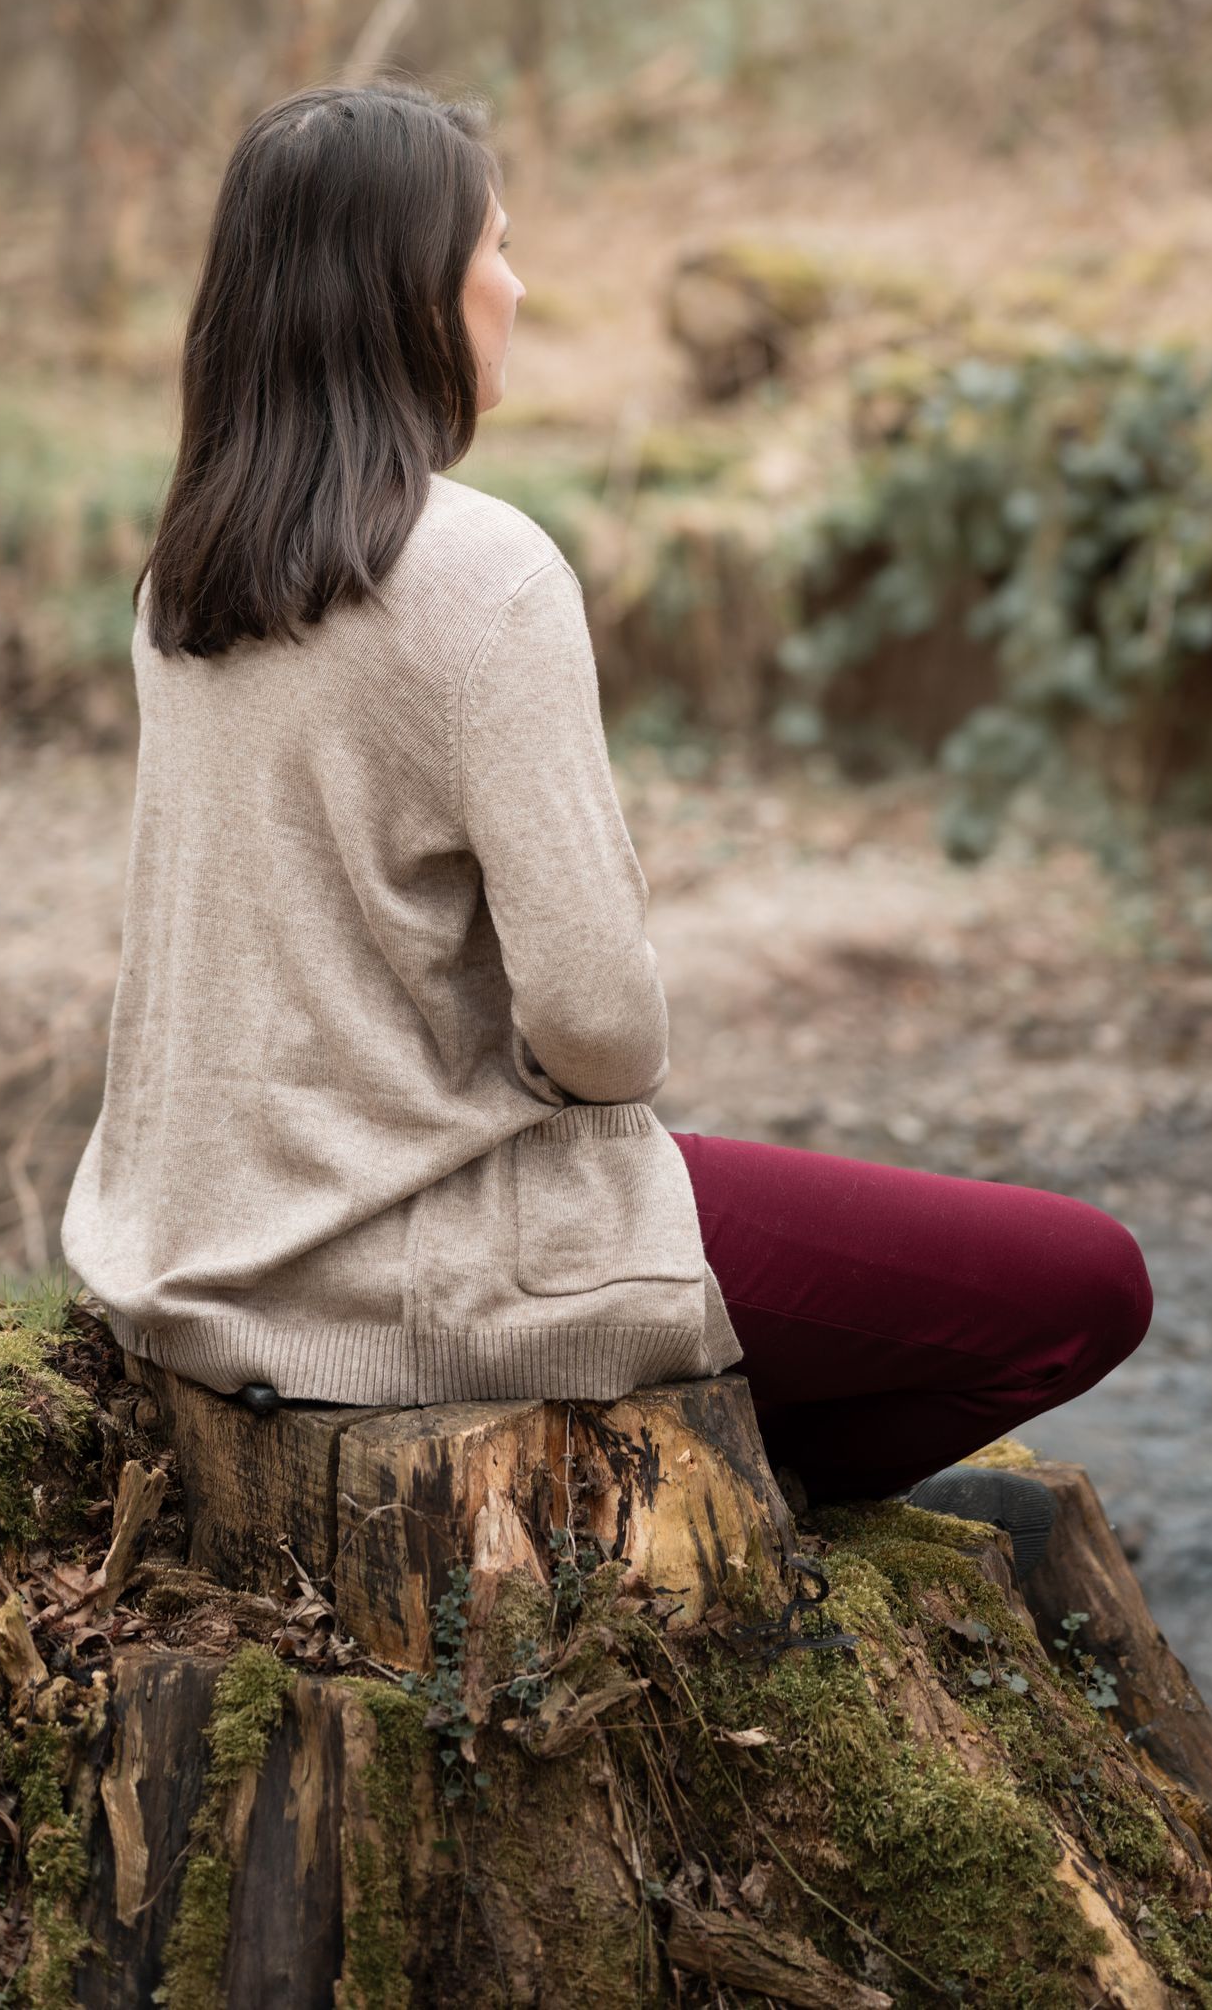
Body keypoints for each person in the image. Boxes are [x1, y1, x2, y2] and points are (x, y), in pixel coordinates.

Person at [60, 80, 1151, 1573]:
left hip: (190, 1246)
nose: (519, 284)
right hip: (411, 1268)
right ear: (410, 295)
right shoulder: (484, 572)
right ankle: (759, 1509)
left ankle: (727, 1478)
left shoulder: (186, 579)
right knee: (1089, 1280)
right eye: (495, 247)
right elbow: (607, 1035)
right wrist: (525, 1079)